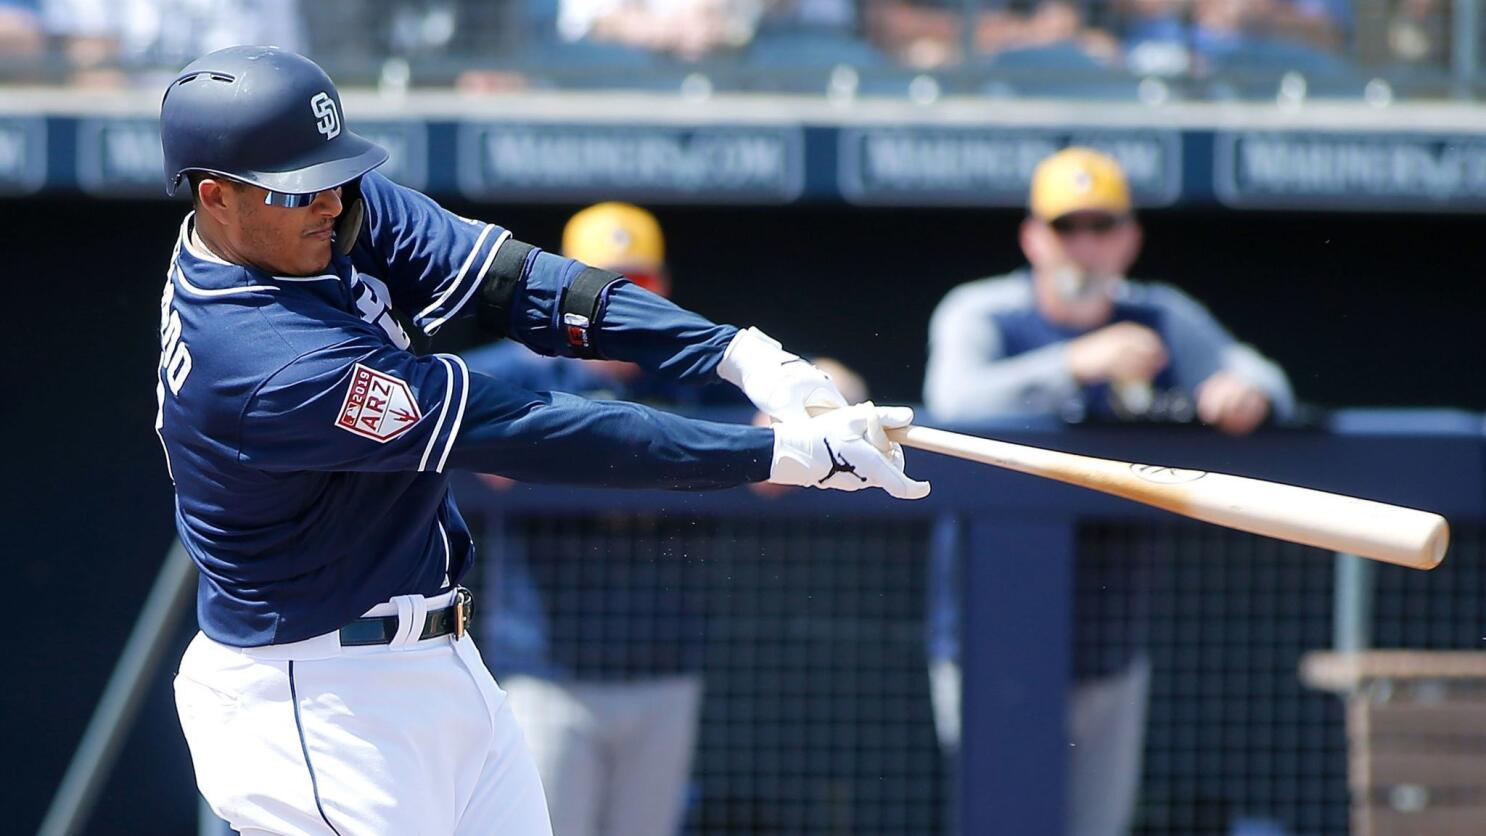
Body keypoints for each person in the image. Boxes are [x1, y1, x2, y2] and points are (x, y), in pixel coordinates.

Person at [156, 46, 928, 836]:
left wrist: (741, 356)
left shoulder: (325, 210)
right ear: (216, 197)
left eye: (333, 173)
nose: (329, 201)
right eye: (300, 190)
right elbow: (531, 430)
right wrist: (776, 455)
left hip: (434, 662)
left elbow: (524, 284)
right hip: (317, 700)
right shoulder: (262, 361)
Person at [921, 146, 1292, 836]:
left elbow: (1266, 380)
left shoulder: (1159, 316)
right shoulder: (984, 312)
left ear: (1130, 238)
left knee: (1096, 825)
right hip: (987, 624)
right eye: (1067, 228)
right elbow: (951, 398)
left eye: (1102, 226)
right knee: (997, 819)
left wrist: (1239, 391)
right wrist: (1073, 361)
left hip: (1109, 623)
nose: (1084, 246)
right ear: (1034, 236)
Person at [462, 201, 739, 836]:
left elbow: (821, 378)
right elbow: (429, 390)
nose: (619, 305)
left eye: (638, 286)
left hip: (664, 669)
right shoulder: (524, 370)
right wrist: (489, 441)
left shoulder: (689, 374)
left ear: (662, 290)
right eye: (602, 285)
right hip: (548, 674)